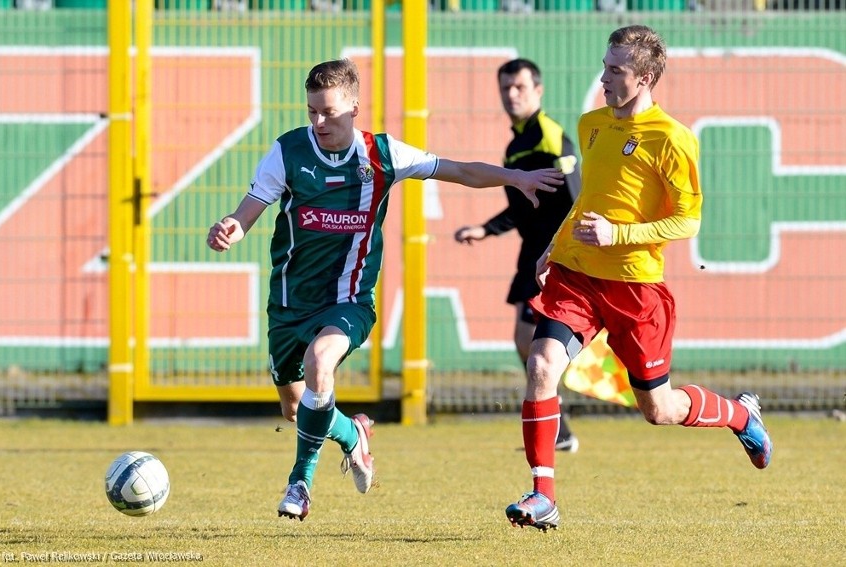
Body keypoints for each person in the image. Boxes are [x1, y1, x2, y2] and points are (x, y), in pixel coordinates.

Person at [206, 58, 564, 523]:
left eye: (329, 112)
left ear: (354, 106)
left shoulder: (382, 155)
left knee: (320, 363)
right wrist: (233, 225)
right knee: (297, 408)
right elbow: (251, 206)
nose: (318, 122)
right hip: (288, 304)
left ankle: (300, 483)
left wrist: (515, 177)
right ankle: (354, 436)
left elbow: (455, 170)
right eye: (312, 111)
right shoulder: (288, 151)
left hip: (348, 300)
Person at [504, 25, 773, 532]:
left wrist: (619, 234)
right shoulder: (591, 124)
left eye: (615, 70)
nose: (603, 77)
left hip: (636, 290)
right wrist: (552, 246)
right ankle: (543, 495)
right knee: (541, 364)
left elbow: (688, 220)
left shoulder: (673, 138)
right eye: (604, 65)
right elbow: (590, 200)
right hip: (577, 276)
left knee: (659, 408)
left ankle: (741, 416)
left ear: (645, 77)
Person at [453, 58, 582, 452]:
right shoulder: (515, 146)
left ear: (538, 91)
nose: (512, 95)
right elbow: (523, 206)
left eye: (520, 88)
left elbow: (576, 197)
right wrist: (485, 229)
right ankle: (557, 428)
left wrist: (563, 250)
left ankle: (556, 427)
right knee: (524, 341)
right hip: (533, 254)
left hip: (554, 256)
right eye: (506, 88)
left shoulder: (550, 137)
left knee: (533, 342)